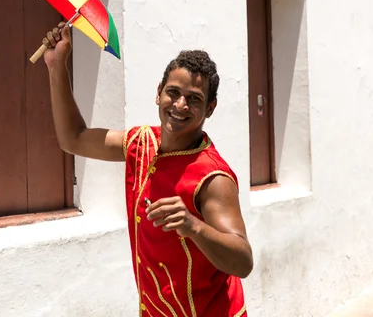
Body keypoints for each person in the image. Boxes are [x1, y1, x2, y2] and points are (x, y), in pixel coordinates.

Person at [42, 22, 253, 316]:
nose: (180, 105)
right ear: (158, 93)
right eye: (173, 92)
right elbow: (73, 138)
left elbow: (243, 261)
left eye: (194, 99)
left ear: (211, 108)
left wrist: (194, 226)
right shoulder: (141, 143)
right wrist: (56, 65)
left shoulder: (212, 177)